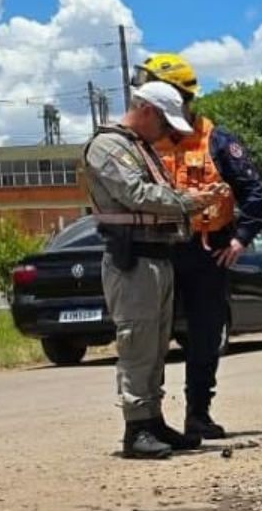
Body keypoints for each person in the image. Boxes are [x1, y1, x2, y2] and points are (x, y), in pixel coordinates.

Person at [130, 52, 262, 441]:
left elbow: (254, 192)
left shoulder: (217, 140)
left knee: (205, 335)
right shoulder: (140, 143)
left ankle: (198, 414)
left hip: (208, 251)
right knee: (153, 335)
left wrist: (241, 240)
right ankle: (149, 419)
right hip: (160, 251)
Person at [81, 82, 221, 459]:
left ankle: (152, 419)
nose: (168, 132)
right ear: (146, 111)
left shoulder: (139, 147)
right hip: (133, 260)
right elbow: (136, 195)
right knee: (137, 343)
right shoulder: (109, 146)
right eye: (165, 122)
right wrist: (189, 202)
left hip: (157, 256)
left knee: (155, 345)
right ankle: (136, 427)